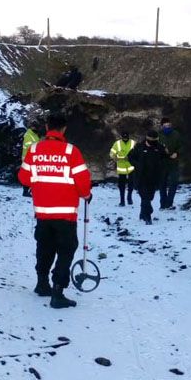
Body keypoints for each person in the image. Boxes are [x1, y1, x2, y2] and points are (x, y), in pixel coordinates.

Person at [18, 112, 92, 308]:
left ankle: (42, 284)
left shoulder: (34, 150)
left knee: (44, 248)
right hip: (65, 215)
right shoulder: (71, 151)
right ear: (64, 129)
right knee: (66, 250)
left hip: (42, 213)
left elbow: (24, 178)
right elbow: (83, 181)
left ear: (47, 127)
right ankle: (58, 292)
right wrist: (86, 195)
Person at [128, 130, 167, 225]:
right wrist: (137, 165)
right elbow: (130, 157)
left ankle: (142, 213)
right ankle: (148, 216)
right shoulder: (139, 147)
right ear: (147, 138)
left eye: (155, 140)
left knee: (150, 196)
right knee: (144, 196)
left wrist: (161, 165)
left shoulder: (159, 147)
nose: (153, 142)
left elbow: (165, 158)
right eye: (151, 140)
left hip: (154, 176)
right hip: (141, 176)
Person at [158, 117, 182, 210]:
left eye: (169, 125)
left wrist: (177, 153)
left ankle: (169, 203)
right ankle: (163, 204)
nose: (167, 127)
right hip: (162, 163)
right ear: (162, 126)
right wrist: (163, 151)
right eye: (165, 125)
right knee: (162, 184)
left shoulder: (176, 134)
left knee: (174, 183)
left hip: (173, 162)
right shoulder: (158, 135)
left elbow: (181, 146)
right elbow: (155, 148)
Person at [109, 131, 136, 206]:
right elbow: (111, 153)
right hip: (121, 167)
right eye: (124, 138)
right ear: (121, 137)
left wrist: (132, 158)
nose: (125, 139)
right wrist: (115, 158)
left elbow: (137, 153)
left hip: (131, 166)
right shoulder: (117, 143)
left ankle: (129, 197)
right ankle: (122, 200)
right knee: (121, 185)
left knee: (131, 183)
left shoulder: (133, 143)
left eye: (126, 138)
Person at [20, 113, 44, 198]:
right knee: (29, 175)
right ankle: (26, 191)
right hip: (28, 158)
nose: (37, 129)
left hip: (31, 158)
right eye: (36, 127)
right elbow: (31, 146)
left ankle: (30, 190)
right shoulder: (29, 135)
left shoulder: (33, 135)